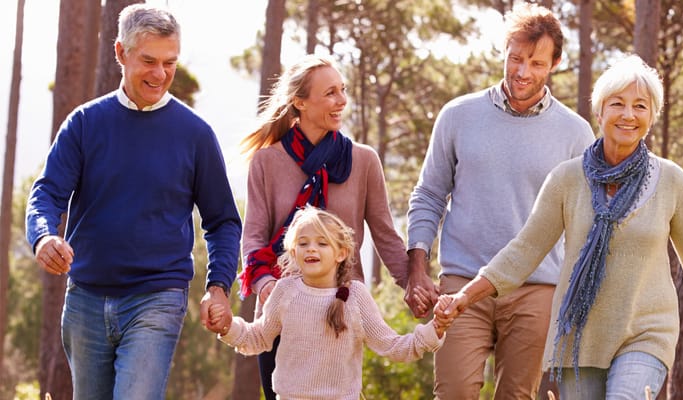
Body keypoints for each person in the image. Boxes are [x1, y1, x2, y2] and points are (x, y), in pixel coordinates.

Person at [434, 54, 683, 399]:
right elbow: (524, 250)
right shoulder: (567, 178)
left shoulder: (671, 181)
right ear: (600, 111)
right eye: (617, 104)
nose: (628, 115)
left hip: (646, 332)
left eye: (640, 106)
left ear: (652, 117)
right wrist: (464, 296)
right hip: (581, 337)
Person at [24, 4, 241, 399]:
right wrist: (42, 237)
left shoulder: (195, 135)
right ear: (121, 53)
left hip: (158, 297)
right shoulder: (85, 123)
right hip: (86, 299)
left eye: (170, 63)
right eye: (148, 61)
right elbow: (47, 193)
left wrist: (219, 286)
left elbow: (223, 221)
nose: (160, 74)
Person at [406, 2, 595, 398]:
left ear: (555, 63)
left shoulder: (576, 134)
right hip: (461, 283)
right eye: (516, 59)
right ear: (505, 52)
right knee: (453, 392)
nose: (523, 72)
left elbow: (586, 223)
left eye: (537, 63)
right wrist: (417, 267)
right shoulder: (458, 115)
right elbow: (428, 194)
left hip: (537, 289)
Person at [236, 53, 436, 399]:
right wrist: (266, 284)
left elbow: (386, 235)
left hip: (339, 311)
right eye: (330, 93)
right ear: (300, 102)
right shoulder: (267, 162)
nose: (342, 100)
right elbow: (253, 236)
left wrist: (414, 287)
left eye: (342, 90)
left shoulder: (363, 160)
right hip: (282, 311)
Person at [209, 206, 445, 400]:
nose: (311, 248)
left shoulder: (355, 297)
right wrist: (228, 326)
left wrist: (434, 330)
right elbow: (258, 338)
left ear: (341, 253)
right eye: (303, 243)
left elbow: (393, 346)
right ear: (293, 251)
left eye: (322, 243)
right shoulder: (285, 291)